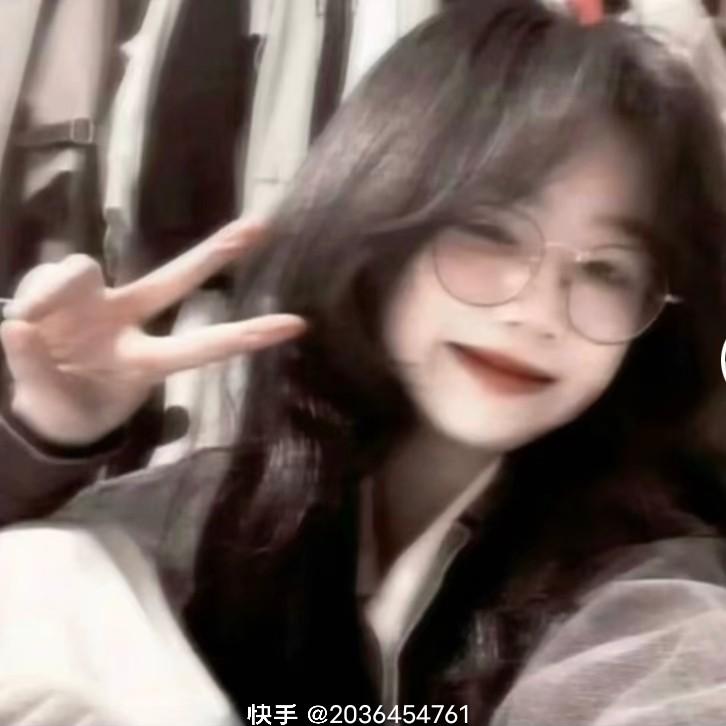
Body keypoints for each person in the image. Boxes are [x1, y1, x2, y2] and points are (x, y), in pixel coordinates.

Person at [1, 1, 726, 724]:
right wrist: (47, 438)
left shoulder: (649, 592)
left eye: (607, 270)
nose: (537, 311)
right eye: (489, 232)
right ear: (381, 216)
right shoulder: (226, 506)